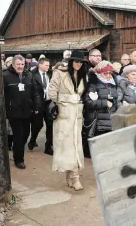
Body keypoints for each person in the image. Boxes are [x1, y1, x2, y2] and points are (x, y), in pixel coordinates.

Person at [48, 50, 88, 191]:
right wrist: (64, 102)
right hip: (64, 115)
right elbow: (51, 92)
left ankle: (71, 176)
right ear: (71, 61)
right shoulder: (60, 73)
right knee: (67, 147)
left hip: (77, 115)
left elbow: (82, 94)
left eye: (80, 62)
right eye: (76, 61)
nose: (78, 64)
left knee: (76, 145)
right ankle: (75, 178)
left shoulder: (83, 76)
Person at [3, 55, 41, 169]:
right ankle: (19, 159)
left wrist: (36, 106)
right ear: (13, 64)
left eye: (22, 64)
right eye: (18, 64)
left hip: (27, 110)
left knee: (26, 134)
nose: (20, 66)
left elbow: (35, 92)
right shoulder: (6, 76)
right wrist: (6, 110)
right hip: (14, 112)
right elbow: (3, 95)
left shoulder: (29, 75)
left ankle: (16, 149)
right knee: (18, 135)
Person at [28, 58, 54, 155]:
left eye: (49, 65)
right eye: (46, 65)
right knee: (37, 125)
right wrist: (33, 106)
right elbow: (30, 92)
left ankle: (48, 147)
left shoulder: (50, 74)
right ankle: (32, 140)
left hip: (49, 103)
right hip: (38, 104)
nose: (48, 67)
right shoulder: (32, 75)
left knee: (50, 125)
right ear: (40, 65)